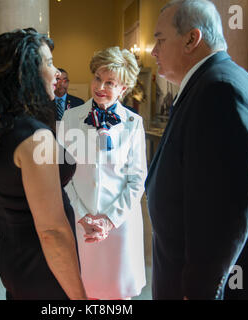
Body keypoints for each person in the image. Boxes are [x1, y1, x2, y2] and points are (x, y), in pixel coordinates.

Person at [145, 0, 248, 300]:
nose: (153, 51)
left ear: (191, 39)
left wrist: (198, 290)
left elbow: (225, 213)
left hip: (228, 284)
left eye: (159, 40)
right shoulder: (209, 83)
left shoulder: (219, 91)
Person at [0, 29, 86, 300]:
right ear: (26, 72)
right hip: (42, 268)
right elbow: (51, 232)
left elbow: (1, 201)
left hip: (13, 256)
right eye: (49, 62)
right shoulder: (34, 136)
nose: (57, 72)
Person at [59, 46, 147, 300]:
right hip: (81, 221)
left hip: (119, 225)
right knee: (83, 292)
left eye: (110, 82)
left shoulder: (133, 123)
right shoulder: (70, 118)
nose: (101, 86)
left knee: (118, 294)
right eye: (98, 78)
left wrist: (109, 220)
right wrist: (83, 216)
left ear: (123, 88)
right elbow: (63, 175)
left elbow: (136, 179)